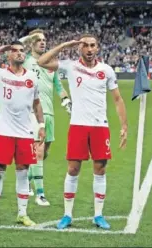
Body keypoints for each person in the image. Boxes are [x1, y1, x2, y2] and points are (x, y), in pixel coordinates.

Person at [37, 34, 128, 229]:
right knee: (73, 169)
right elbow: (41, 61)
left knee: (100, 169)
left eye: (92, 45)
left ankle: (98, 215)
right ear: (80, 48)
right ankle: (67, 215)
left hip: (100, 126)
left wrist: (124, 126)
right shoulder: (70, 66)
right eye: (85, 45)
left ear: (98, 48)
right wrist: (63, 44)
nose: (88, 49)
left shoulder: (107, 70)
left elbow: (118, 99)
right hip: (78, 125)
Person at [0, 41, 46, 227]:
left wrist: (42, 124)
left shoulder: (32, 77)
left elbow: (37, 103)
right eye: (15, 51)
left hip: (25, 133)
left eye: (22, 51)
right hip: (3, 132)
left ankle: (22, 213)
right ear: (8, 55)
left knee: (23, 173)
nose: (20, 54)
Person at [19, 29, 72, 206]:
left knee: (45, 152)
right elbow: (14, 45)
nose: (43, 42)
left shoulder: (51, 65)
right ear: (32, 43)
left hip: (49, 113)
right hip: (32, 112)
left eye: (44, 40)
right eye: (39, 40)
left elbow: (59, 86)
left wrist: (66, 101)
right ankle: (40, 194)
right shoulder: (25, 60)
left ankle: (26, 179)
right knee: (39, 153)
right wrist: (27, 39)